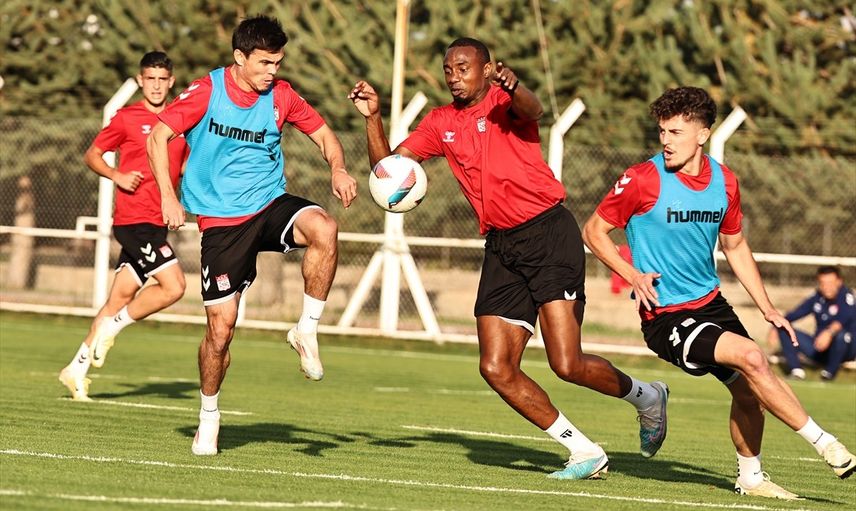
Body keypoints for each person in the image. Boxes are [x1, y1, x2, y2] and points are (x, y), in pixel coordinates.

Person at [349, 37, 669, 480]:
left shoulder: (506, 103)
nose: (454, 77)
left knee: (566, 364)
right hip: (502, 247)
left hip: (548, 236)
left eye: (463, 68)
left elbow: (534, 109)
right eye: (448, 70)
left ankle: (647, 397)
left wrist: (515, 87)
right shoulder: (441, 121)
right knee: (495, 367)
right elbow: (387, 171)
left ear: (487, 69)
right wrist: (373, 118)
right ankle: (583, 451)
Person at [582, 86, 856, 499]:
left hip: (711, 304)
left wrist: (768, 308)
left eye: (676, 132)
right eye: (662, 131)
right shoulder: (642, 179)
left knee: (749, 392)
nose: (666, 141)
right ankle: (827, 444)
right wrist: (631, 274)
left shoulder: (725, 181)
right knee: (753, 357)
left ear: (703, 134)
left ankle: (751, 478)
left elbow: (735, 245)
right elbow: (593, 231)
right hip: (666, 315)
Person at [147, 15, 356, 456]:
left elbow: (324, 135)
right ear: (239, 57)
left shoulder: (282, 95)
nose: (272, 72)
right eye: (264, 63)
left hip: (268, 202)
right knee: (220, 331)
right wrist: (168, 195)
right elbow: (158, 136)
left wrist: (338, 168)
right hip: (222, 222)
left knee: (325, 227)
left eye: (278, 63)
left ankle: (306, 330)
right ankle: (209, 416)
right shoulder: (208, 91)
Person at [59, 51, 188, 402]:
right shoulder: (127, 118)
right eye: (150, 79)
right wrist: (116, 175)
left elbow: (185, 169)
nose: (156, 86)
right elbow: (92, 155)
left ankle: (75, 368)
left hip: (157, 223)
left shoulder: (180, 121)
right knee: (174, 286)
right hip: (134, 222)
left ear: (171, 82)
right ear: (140, 80)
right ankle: (112, 329)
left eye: (162, 79)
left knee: (118, 299)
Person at [768, 266, 856, 380]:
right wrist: (775, 326)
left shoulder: (847, 296)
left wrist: (829, 333)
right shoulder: (817, 298)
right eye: (823, 283)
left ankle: (829, 373)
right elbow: (795, 314)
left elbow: (842, 319)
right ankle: (797, 371)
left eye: (830, 283)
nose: (826, 287)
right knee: (784, 328)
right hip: (819, 348)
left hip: (845, 350)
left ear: (839, 282)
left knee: (841, 336)